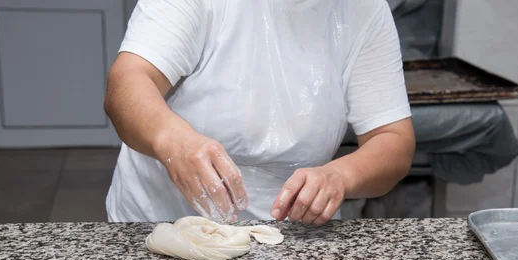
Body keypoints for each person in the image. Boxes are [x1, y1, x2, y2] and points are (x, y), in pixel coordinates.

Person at [104, 0, 415, 225]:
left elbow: (393, 140)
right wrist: (174, 141)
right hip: (163, 223)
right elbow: (128, 84)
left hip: (292, 241)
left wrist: (341, 176)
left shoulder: (364, 11)